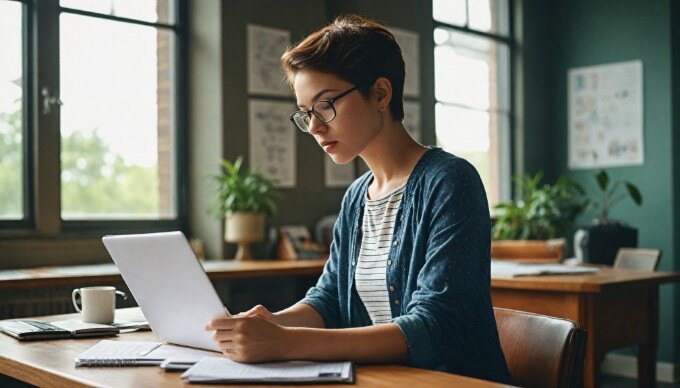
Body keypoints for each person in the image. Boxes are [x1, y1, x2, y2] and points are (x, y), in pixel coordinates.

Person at [205, 14, 512, 384]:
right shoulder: (356, 197)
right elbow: (330, 299)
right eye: (305, 114)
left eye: (326, 104)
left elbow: (434, 326)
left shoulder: (450, 181)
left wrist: (285, 342)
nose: (315, 126)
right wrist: (268, 324)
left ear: (380, 93)